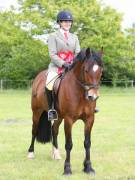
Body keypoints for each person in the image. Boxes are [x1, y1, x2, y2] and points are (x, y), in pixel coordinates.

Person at [45, 10, 98, 121]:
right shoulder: (53, 36)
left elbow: (78, 54)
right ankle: (52, 110)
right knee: (49, 84)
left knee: (86, 81)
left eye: (69, 21)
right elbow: (52, 54)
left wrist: (73, 63)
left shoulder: (74, 37)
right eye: (65, 21)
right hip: (56, 66)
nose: (67, 23)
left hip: (72, 67)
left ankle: (91, 106)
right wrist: (64, 64)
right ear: (59, 22)